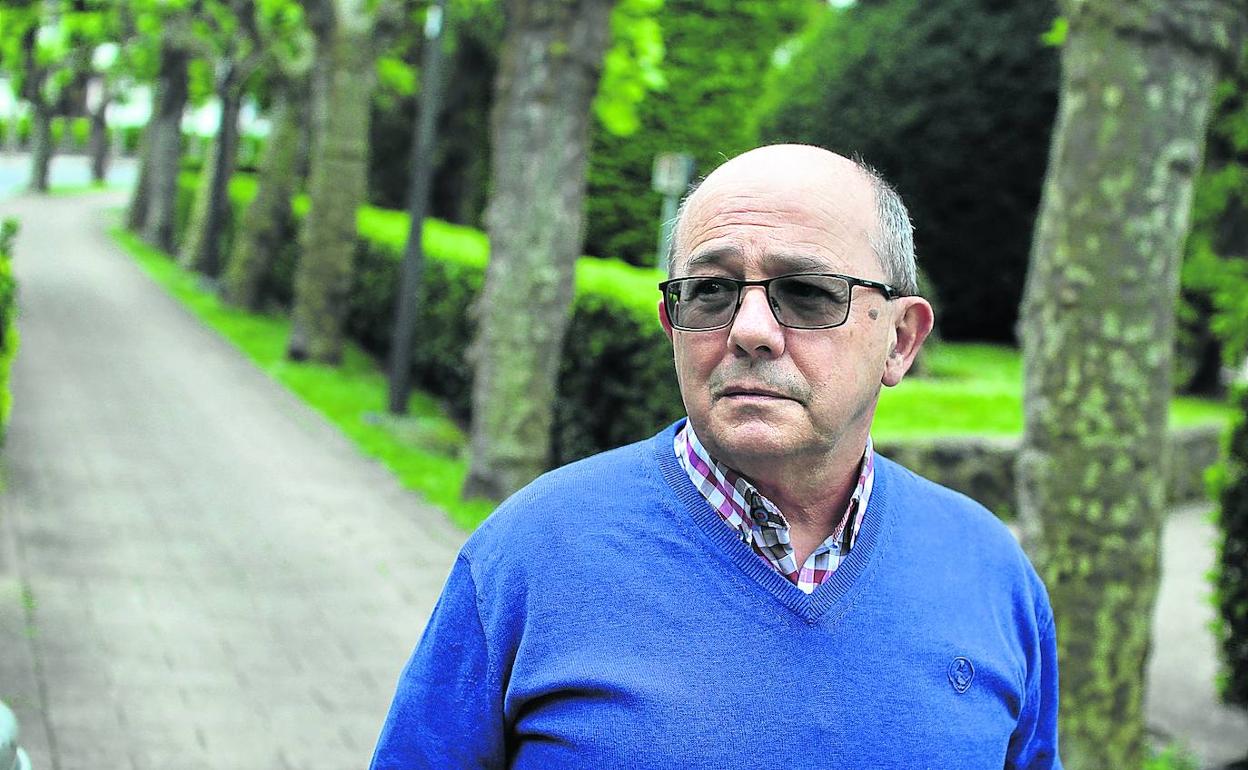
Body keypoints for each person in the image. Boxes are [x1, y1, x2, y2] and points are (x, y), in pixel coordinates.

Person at [370, 144, 1061, 768]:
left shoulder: (990, 573)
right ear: (672, 326)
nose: (750, 330)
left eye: (807, 292)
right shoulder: (531, 553)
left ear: (901, 340)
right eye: (711, 291)